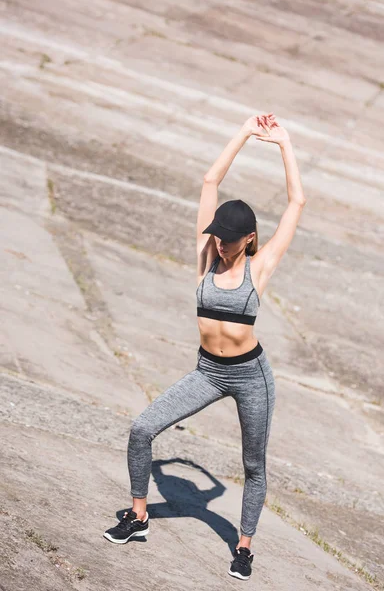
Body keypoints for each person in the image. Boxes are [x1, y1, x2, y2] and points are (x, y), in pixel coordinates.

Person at [103, 113, 306, 580]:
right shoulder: (205, 256)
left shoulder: (261, 266)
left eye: (228, 238)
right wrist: (244, 131)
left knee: (253, 464)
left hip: (251, 376)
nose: (218, 240)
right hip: (207, 371)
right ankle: (138, 517)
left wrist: (283, 145)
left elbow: (297, 201)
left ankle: (245, 545)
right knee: (141, 428)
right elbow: (210, 179)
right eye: (216, 233)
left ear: (249, 239)